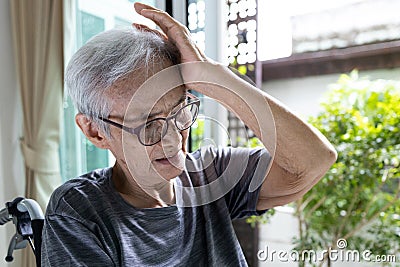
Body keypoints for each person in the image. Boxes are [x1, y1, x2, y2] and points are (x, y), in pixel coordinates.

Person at [41, 2, 337, 266]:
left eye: (180, 111)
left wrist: (213, 77)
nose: (173, 139)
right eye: (148, 125)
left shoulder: (210, 174)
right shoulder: (79, 212)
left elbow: (313, 160)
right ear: (95, 131)